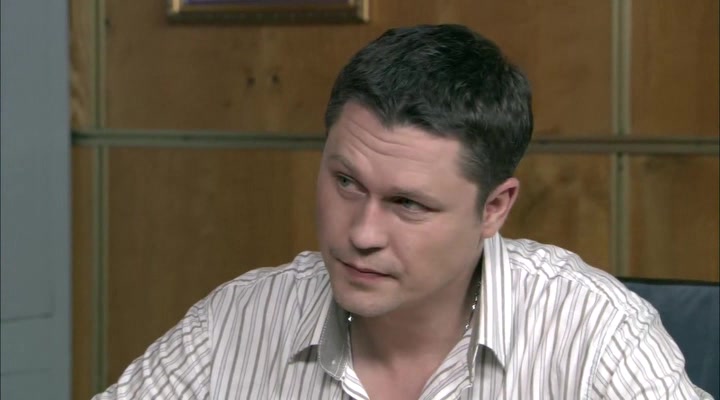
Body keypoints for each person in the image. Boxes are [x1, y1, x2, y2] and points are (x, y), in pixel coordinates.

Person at [95, 24, 711, 399]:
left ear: (494, 208)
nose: (361, 233)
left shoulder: (593, 334)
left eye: (408, 204)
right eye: (345, 182)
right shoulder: (236, 322)